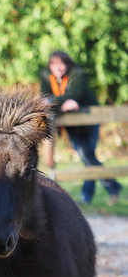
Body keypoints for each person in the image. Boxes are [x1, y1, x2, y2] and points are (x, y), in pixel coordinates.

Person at [40, 51, 122, 205]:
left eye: (61, 63)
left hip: (89, 121)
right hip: (70, 123)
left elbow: (75, 93)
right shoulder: (45, 76)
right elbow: (43, 97)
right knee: (87, 156)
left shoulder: (78, 74)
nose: (58, 67)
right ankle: (107, 188)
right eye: (54, 64)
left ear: (67, 64)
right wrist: (60, 103)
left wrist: (52, 101)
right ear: (50, 66)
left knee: (86, 155)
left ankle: (91, 194)